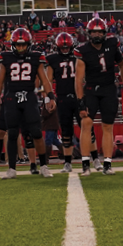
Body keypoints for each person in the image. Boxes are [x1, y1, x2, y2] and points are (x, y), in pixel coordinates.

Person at [0, 27, 53, 178]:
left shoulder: (36, 58)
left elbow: (44, 79)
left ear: (28, 44)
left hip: (29, 97)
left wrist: (50, 96)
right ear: (13, 44)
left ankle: (43, 165)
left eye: (23, 45)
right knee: (12, 133)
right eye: (18, 45)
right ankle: (12, 169)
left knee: (37, 133)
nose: (20, 48)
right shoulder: (6, 58)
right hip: (11, 98)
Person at [75, 16, 123, 176]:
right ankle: (85, 164)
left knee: (107, 126)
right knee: (86, 122)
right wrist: (80, 102)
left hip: (109, 89)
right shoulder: (83, 50)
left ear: (104, 32)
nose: (97, 35)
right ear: (89, 33)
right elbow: (78, 79)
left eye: (99, 32)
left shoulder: (112, 45)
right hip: (91, 89)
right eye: (94, 32)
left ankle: (107, 164)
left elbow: (122, 65)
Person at [45, 32, 81, 173]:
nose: (65, 49)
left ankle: (92, 159)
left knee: (86, 128)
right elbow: (48, 80)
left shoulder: (79, 56)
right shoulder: (52, 59)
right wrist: (49, 98)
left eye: (67, 47)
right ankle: (67, 162)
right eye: (63, 47)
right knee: (66, 131)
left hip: (78, 96)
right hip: (62, 97)